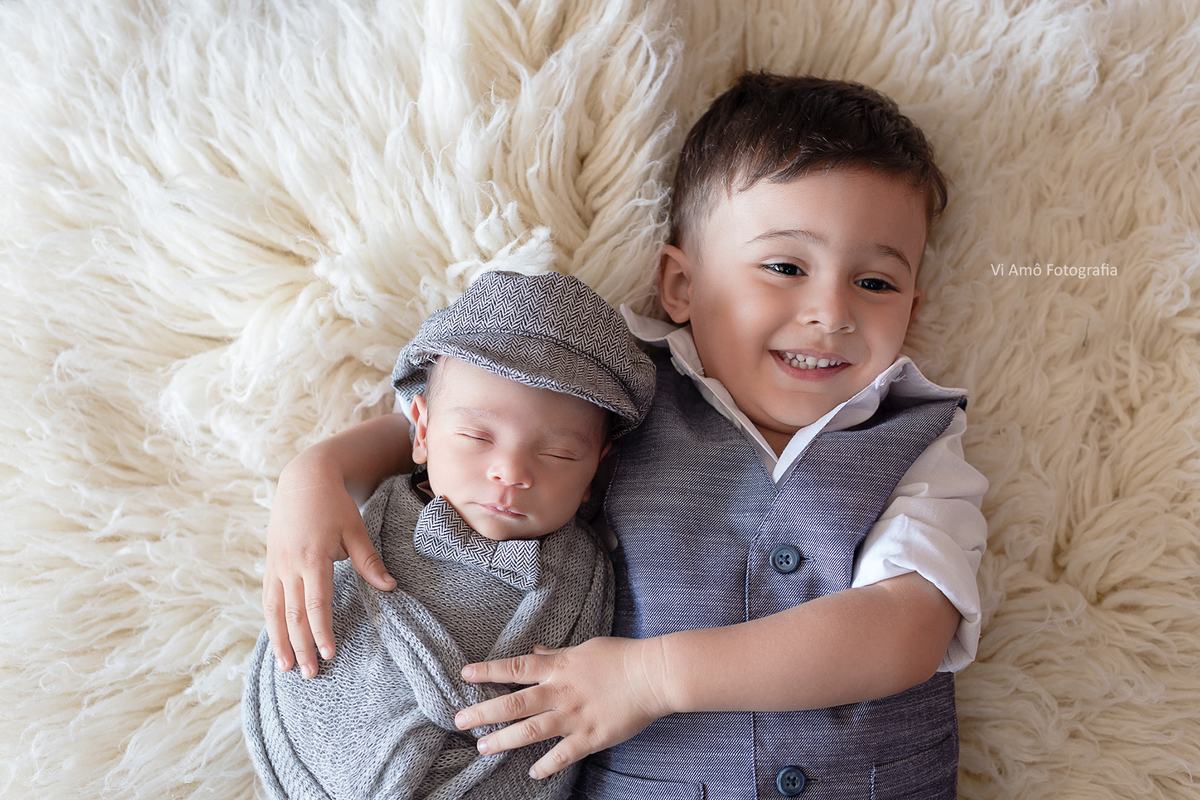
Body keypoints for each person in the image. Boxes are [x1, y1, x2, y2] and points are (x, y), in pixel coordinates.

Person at [261, 73, 989, 799]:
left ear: (914, 310)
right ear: (680, 286)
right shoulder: (619, 386)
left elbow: (904, 630)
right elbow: (466, 425)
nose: (831, 312)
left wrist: (652, 676)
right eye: (785, 267)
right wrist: (318, 476)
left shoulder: (918, 441)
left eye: (876, 284)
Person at [243, 271, 656, 800]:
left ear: (594, 473)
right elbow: (315, 622)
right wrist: (308, 477)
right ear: (420, 431)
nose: (510, 471)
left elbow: (561, 720)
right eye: (475, 436)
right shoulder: (379, 509)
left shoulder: (586, 575)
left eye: (558, 454)